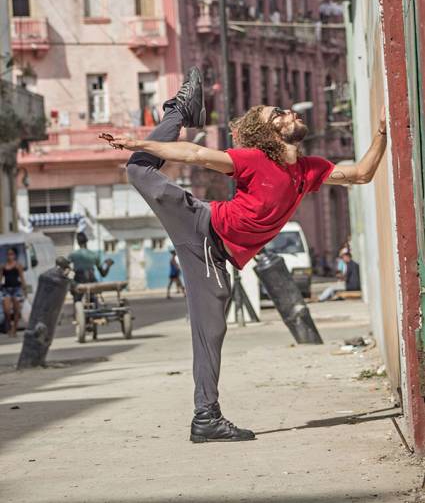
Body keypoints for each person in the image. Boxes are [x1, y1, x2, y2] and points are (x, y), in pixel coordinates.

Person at [99, 66, 387, 443]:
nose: (289, 113)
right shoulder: (253, 159)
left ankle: (205, 418)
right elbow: (195, 153)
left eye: (286, 110)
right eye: (278, 114)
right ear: (268, 133)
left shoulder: (308, 170)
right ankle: (179, 112)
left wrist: (384, 133)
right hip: (202, 228)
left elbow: (361, 174)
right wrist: (137, 142)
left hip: (213, 248)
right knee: (139, 170)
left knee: (210, 326)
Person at [68, 232, 114, 301]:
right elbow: (103, 273)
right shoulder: (94, 255)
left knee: (76, 296)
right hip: (92, 282)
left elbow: (66, 268)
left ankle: (78, 305)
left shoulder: (73, 255)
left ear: (78, 242)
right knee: (93, 298)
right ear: (87, 241)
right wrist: (108, 265)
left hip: (79, 282)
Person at [0, 247, 26, 336]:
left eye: (11, 254)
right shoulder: (3, 266)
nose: (9, 256)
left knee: (16, 310)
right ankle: (9, 326)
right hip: (6, 289)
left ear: (14, 255)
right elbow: (0, 279)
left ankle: (15, 329)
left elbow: (22, 278)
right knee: (6, 311)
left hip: (16, 289)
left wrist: (24, 289)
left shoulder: (18, 266)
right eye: (8, 254)